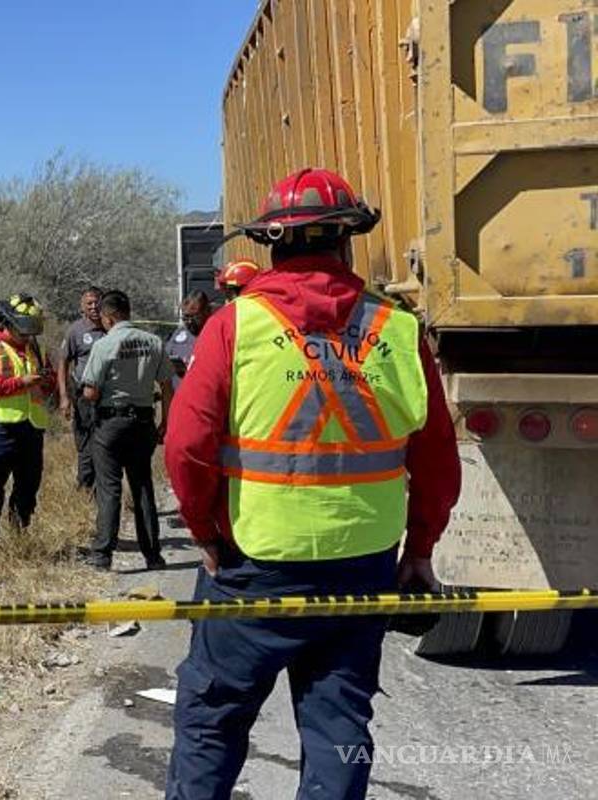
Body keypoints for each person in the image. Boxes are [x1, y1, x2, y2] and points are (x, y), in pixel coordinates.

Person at [163, 168, 461, 800]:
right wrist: (421, 549)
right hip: (363, 561)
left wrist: (204, 532)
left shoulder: (235, 325)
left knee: (213, 719)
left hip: (255, 561)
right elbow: (437, 456)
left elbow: (186, 445)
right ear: (347, 240)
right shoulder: (398, 329)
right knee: (338, 725)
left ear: (271, 244)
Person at [80, 290, 173, 571]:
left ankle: (103, 554)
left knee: (109, 489)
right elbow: (167, 385)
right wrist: (165, 421)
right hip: (143, 423)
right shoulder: (153, 342)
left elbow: (90, 392)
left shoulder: (104, 345)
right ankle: (153, 555)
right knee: (142, 486)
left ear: (108, 318)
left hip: (111, 424)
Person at [0, 294, 57, 540]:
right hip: (1, 427)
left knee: (29, 483)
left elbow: (50, 379)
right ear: (9, 323)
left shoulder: (36, 348)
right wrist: (22, 383)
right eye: (24, 330)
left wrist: (46, 381)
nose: (28, 336)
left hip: (32, 426)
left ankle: (19, 533)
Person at [58, 286, 106, 491]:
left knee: (106, 443)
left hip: (109, 396)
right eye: (89, 303)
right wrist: (64, 396)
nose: (94, 307)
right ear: (82, 306)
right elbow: (63, 363)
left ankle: (104, 488)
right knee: (86, 444)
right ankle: (85, 488)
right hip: (84, 397)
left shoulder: (111, 327)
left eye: (97, 302)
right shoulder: (75, 331)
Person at [165, 292, 212, 390]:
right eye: (186, 317)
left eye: (194, 317)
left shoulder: (214, 334)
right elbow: (165, 359)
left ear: (206, 312)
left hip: (201, 392)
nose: (189, 321)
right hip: (178, 393)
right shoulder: (179, 333)